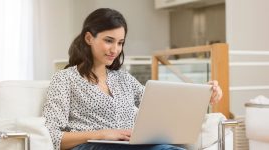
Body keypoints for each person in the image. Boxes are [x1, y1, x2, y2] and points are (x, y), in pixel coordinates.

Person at [43, 8, 222, 150]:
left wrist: (205, 92)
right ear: (89, 38)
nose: (115, 49)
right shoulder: (64, 79)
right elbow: (52, 135)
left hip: (133, 146)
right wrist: (103, 134)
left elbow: (164, 103)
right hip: (90, 146)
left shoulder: (124, 79)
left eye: (120, 42)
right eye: (108, 40)